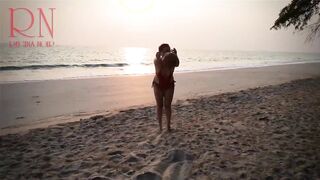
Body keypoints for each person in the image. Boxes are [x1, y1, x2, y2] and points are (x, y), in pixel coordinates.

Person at [152, 43, 179, 132]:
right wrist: (159, 58)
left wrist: (175, 55)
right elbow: (159, 68)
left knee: (168, 106)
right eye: (165, 51)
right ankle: (160, 127)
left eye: (169, 50)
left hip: (169, 84)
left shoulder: (171, 61)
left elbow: (177, 64)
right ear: (160, 52)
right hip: (158, 85)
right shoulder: (157, 60)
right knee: (159, 106)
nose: (167, 52)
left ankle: (168, 126)